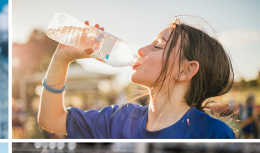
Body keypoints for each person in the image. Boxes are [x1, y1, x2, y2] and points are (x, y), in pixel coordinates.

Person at [38, 18, 236, 139]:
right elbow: (51, 119)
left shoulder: (213, 133)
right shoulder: (119, 119)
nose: (141, 50)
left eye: (157, 46)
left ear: (186, 70)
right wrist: (61, 59)